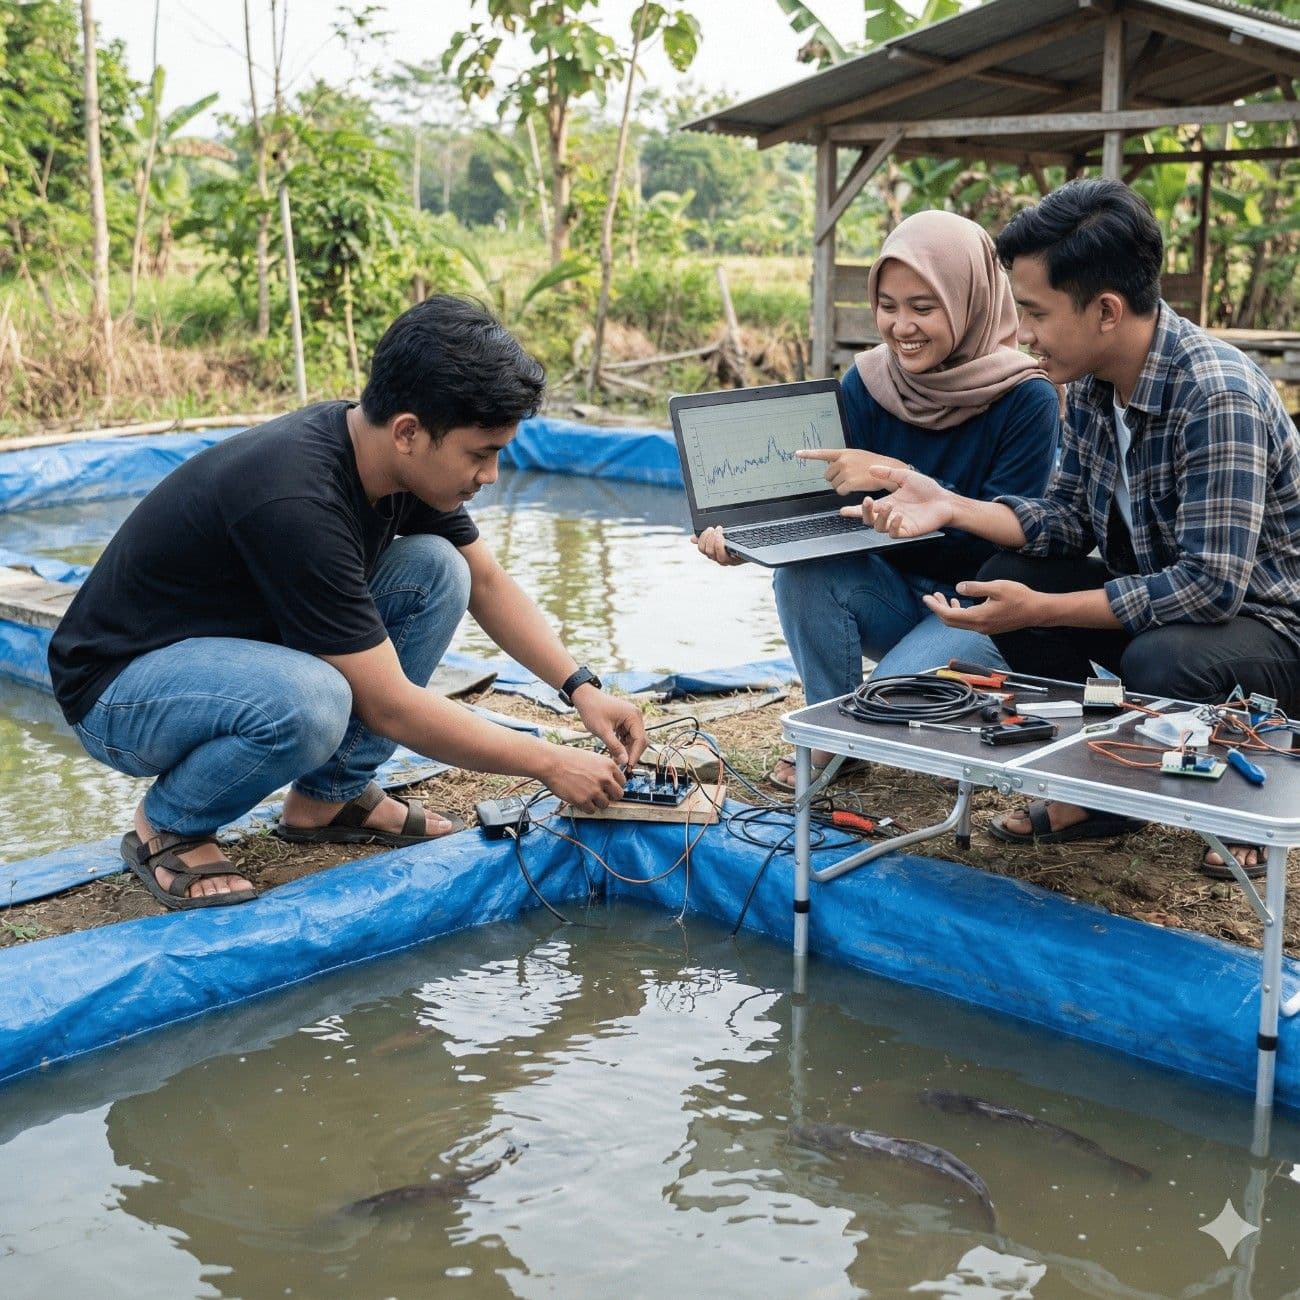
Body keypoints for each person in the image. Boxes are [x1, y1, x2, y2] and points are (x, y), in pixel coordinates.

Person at [48, 295, 646, 910]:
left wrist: (581, 688)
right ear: (409, 432)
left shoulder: (389, 461)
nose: (490, 475)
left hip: (226, 657)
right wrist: (548, 762)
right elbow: (391, 707)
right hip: (119, 688)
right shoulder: (298, 500)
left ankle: (329, 797)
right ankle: (170, 824)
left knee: (439, 569)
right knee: (313, 701)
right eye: (480, 453)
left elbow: (487, 583)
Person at [852, 179, 1300, 877]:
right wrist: (949, 504)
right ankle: (1108, 785)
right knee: (1008, 574)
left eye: (1035, 312)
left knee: (1161, 659)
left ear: (1106, 311)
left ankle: (1255, 783)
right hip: (1165, 611)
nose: (1023, 333)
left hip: (1267, 632)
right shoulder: (1091, 383)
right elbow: (1064, 521)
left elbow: (1210, 588)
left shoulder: (1217, 396)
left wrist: (1044, 610)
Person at [695, 210, 1059, 789]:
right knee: (800, 578)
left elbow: (1019, 532)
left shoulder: (1026, 397)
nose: (901, 326)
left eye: (923, 307)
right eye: (887, 306)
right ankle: (833, 740)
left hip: (980, 607)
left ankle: (899, 717)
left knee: (883, 707)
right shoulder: (868, 383)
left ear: (968, 301)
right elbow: (826, 513)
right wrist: (754, 542)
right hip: (891, 594)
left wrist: (898, 479)